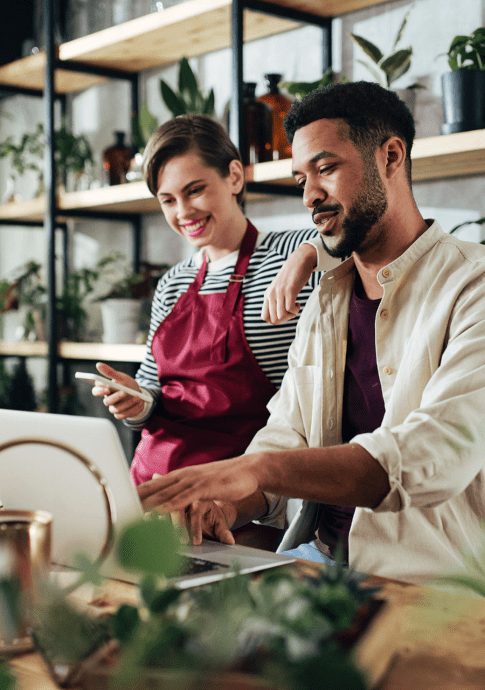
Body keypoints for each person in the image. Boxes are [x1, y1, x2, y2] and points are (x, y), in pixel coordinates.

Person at [137, 81, 485, 586]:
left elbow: (431, 453)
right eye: (302, 178)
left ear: (391, 157)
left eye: (325, 169)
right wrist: (227, 503)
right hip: (316, 568)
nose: (309, 196)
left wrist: (255, 470)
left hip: (431, 587)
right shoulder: (327, 296)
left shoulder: (470, 285)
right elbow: (287, 430)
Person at [91, 114, 323, 496]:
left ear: (234, 176)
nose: (183, 212)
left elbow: (357, 240)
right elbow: (154, 393)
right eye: (168, 200)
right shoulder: (172, 283)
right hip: (155, 483)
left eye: (194, 190)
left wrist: (310, 252)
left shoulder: (290, 254)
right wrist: (136, 401)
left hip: (243, 491)